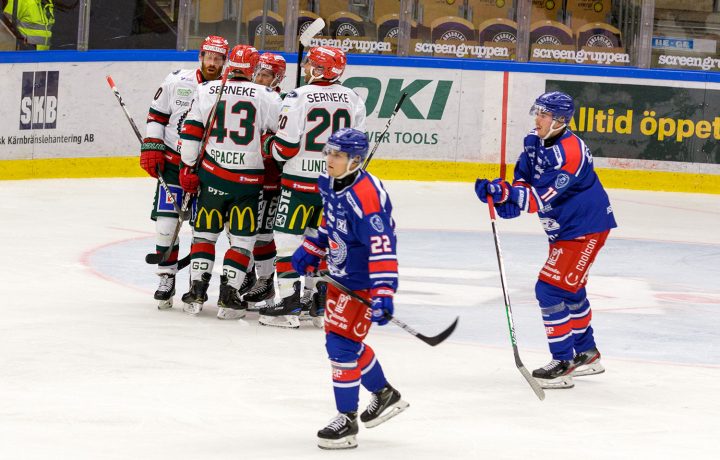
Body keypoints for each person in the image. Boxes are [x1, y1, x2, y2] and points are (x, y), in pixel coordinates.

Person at [475, 91, 617, 389]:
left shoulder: (572, 155)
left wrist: (507, 195)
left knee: (549, 290)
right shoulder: (533, 141)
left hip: (585, 228)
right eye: (536, 112)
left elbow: (539, 197)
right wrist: (508, 195)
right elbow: (524, 180)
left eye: (544, 114)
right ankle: (587, 354)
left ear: (561, 120)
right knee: (571, 290)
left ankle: (563, 362)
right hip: (563, 228)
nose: (536, 119)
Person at [291, 128, 409, 450]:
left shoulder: (366, 198)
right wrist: (314, 247)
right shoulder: (331, 182)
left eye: (338, 155)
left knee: (341, 348)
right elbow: (330, 219)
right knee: (345, 343)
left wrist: (384, 291)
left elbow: (382, 246)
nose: (329, 159)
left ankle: (347, 420)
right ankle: (384, 394)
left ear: (355, 160)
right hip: (341, 277)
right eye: (329, 152)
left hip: (364, 283)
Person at [259, 46, 367, 329]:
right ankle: (317, 302)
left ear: (320, 69)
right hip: (333, 188)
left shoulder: (298, 95)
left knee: (286, 239)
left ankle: (290, 304)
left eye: (311, 65)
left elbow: (285, 148)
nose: (307, 68)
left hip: (299, 186)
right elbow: (358, 150)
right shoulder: (353, 98)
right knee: (320, 243)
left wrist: (268, 144)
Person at [178, 44, 282, 319]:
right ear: (253, 68)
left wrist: (188, 168)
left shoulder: (207, 89)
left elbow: (190, 133)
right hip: (247, 182)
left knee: (205, 234)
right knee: (242, 239)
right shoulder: (266, 95)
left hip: (211, 175)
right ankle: (229, 295)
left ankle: (196, 291)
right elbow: (280, 135)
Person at [140, 35, 228, 310]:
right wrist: (152, 146)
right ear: (200, 56)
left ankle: (196, 284)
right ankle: (166, 278)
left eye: (218, 59)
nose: (212, 63)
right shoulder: (177, 80)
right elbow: (157, 115)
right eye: (208, 57)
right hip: (172, 164)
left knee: (204, 229)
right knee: (166, 225)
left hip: (209, 168)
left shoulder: (230, 89)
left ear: (224, 61)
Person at [240, 52, 287, 311]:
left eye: (266, 74)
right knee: (240, 231)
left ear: (277, 78)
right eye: (257, 72)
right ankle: (247, 274)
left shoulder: (280, 102)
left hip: (269, 179)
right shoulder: (246, 94)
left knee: (263, 232)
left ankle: (266, 280)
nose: (259, 78)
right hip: (243, 177)